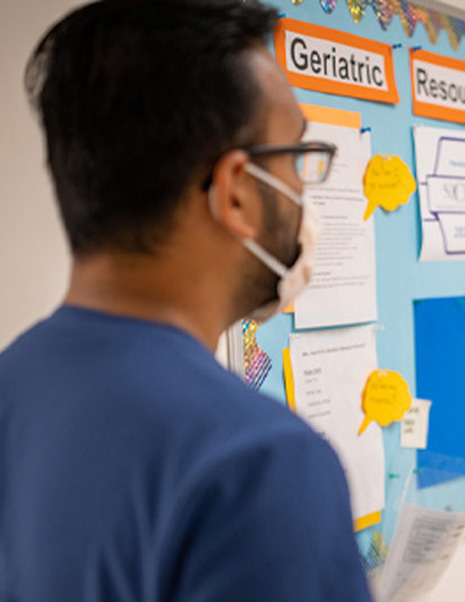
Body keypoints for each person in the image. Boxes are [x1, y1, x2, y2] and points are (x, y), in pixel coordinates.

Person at [0, 1, 372, 600]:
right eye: (297, 157)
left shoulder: (14, 386)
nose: (306, 189)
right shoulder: (260, 463)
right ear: (235, 194)